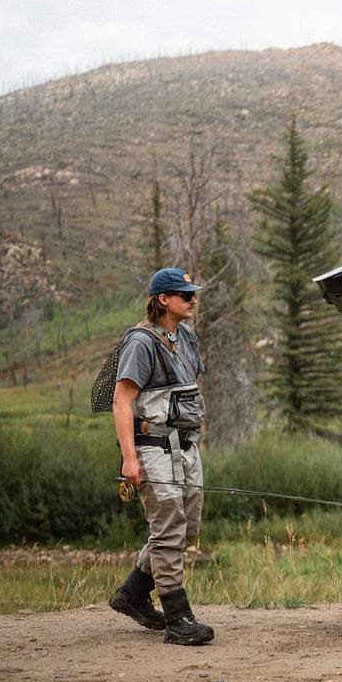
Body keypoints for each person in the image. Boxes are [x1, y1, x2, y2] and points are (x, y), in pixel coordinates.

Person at [107, 267, 214, 645]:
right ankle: (177, 618)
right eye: (185, 295)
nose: (193, 300)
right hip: (152, 447)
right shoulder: (140, 342)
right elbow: (122, 402)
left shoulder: (186, 335)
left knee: (187, 529)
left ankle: (132, 595)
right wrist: (129, 458)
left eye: (193, 294)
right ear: (163, 300)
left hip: (186, 446)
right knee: (168, 530)